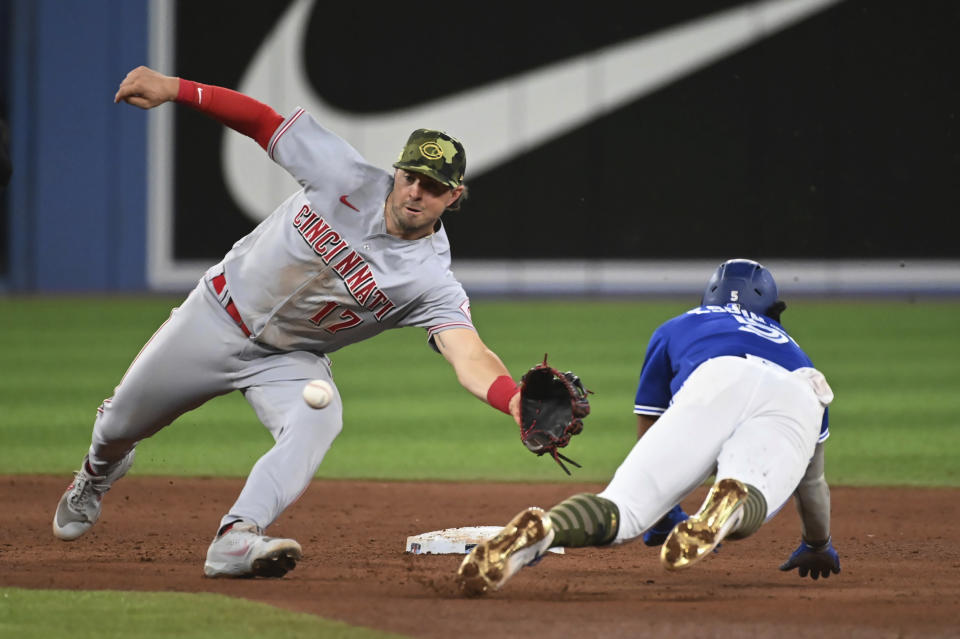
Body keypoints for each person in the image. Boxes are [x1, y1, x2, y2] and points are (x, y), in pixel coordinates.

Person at [52, 65, 527, 579]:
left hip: (288, 360)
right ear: (397, 172)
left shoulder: (430, 279)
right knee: (119, 424)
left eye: (433, 186)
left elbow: (468, 353)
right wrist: (176, 89)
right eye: (411, 176)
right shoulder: (341, 174)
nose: (416, 192)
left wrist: (514, 398)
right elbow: (262, 121)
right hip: (216, 315)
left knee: (319, 418)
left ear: (453, 196)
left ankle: (237, 536)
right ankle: (96, 476)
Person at [457, 259, 841, 595]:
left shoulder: (681, 325)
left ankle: (547, 528)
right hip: (798, 390)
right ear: (772, 309)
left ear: (710, 297)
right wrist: (817, 544)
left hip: (716, 376)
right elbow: (811, 484)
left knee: (621, 508)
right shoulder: (794, 349)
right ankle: (733, 499)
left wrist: (663, 505)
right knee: (752, 488)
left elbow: (651, 426)